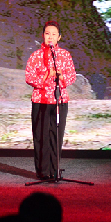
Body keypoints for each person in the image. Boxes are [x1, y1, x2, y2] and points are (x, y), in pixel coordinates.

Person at [25, 20, 76, 180]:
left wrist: (60, 75)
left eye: (54, 34)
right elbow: (29, 77)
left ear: (59, 37)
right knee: (41, 136)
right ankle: (42, 172)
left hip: (59, 100)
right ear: (43, 35)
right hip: (40, 100)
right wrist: (47, 74)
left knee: (56, 135)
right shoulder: (35, 55)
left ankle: (55, 171)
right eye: (47, 34)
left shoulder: (65, 55)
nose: (50, 37)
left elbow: (71, 76)